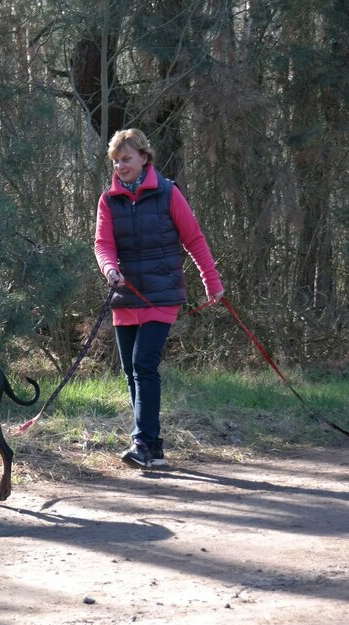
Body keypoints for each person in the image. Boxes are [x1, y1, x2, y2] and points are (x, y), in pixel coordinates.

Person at [94, 129, 224, 469]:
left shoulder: (168, 193)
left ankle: (143, 443)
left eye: (127, 159)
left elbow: (194, 239)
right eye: (116, 161)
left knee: (143, 365)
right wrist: (109, 270)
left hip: (162, 293)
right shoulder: (109, 199)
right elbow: (103, 244)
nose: (121, 166)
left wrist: (212, 281)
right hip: (126, 294)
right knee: (129, 370)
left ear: (144, 158)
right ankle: (153, 445)